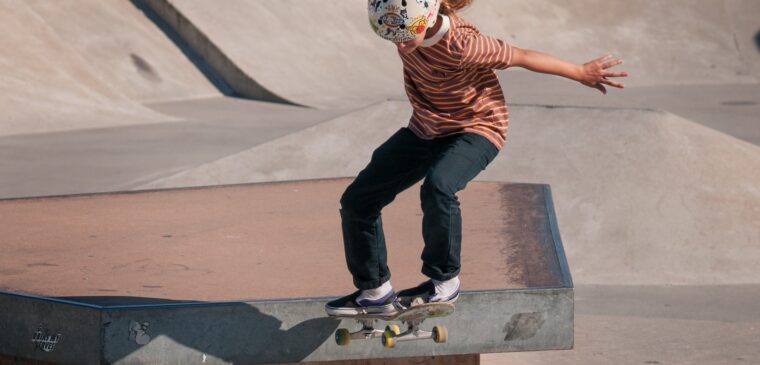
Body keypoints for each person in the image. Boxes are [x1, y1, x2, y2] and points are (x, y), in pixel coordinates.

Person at [326, 0, 627, 316]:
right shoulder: (405, 25)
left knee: (439, 187)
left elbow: (522, 56)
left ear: (427, 18)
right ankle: (375, 291)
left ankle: (444, 283)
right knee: (358, 199)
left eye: (403, 34)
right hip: (428, 127)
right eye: (390, 36)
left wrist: (580, 72)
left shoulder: (463, 44)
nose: (399, 43)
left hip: (479, 128)